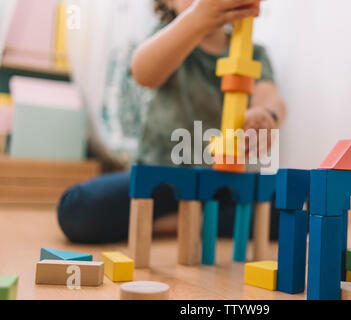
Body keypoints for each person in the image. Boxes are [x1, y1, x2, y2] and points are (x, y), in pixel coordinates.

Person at [57, 0, 286, 244]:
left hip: (226, 183)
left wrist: (266, 115)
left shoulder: (253, 52)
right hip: (163, 177)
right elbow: (144, 73)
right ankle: (193, 220)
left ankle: (187, 220)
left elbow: (270, 96)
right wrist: (196, 19)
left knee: (293, 209)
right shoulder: (168, 38)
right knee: (78, 208)